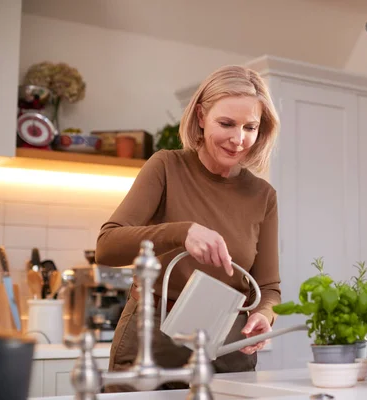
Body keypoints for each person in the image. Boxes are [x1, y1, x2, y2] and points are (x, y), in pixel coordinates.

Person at [95, 65, 281, 392]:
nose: (239, 139)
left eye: (250, 127)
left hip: (227, 346)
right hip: (153, 337)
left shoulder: (263, 196)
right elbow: (107, 247)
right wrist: (182, 232)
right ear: (200, 117)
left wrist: (265, 314)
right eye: (226, 123)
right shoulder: (166, 167)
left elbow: (268, 286)